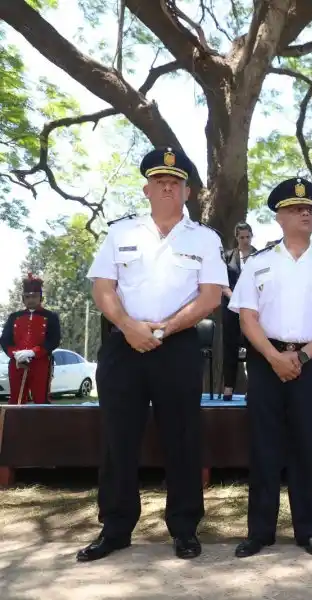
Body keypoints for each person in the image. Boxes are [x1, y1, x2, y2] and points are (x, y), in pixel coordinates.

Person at [78, 147, 228, 562]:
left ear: (187, 192)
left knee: (182, 439)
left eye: (175, 182)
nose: (167, 187)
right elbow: (102, 288)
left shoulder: (205, 239)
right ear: (146, 189)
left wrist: (163, 329)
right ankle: (115, 528)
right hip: (123, 345)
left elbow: (210, 297)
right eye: (160, 181)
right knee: (118, 440)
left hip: (176, 346)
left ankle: (184, 528)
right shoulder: (121, 233)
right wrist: (129, 326)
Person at [229, 177, 312, 558]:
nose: (305, 214)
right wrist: (273, 357)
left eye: (309, 209)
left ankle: (308, 531)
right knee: (263, 447)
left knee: (306, 446)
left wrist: (300, 358)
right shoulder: (259, 263)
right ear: (279, 217)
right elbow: (247, 318)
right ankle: (259, 532)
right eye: (296, 209)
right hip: (265, 361)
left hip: (310, 362)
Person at [0, 274, 61, 405]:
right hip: (17, 363)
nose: (31, 300)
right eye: (27, 297)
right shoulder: (14, 317)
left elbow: (54, 339)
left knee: (41, 400)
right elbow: (5, 340)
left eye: (34, 296)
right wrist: (15, 354)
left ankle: (41, 419)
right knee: (16, 400)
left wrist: (33, 352)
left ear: (40, 297)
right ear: (23, 299)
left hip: (41, 363)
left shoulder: (50, 316)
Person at [221, 223, 257, 401]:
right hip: (231, 308)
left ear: (252, 236)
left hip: (253, 309)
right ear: (236, 237)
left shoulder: (260, 256)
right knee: (230, 346)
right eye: (241, 237)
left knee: (254, 347)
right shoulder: (227, 256)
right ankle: (228, 387)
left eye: (247, 237)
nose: (245, 240)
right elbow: (222, 283)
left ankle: (253, 387)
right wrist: (235, 300)